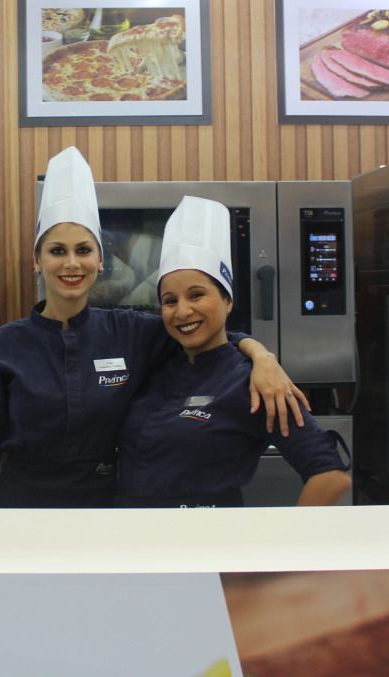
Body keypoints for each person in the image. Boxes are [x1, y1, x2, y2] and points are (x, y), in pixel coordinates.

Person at [0, 147, 307, 509]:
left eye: (83, 250)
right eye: (57, 251)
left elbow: (207, 334)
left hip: (105, 509)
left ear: (100, 259)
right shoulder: (2, 348)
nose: (72, 263)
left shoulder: (131, 333)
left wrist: (261, 356)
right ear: (37, 260)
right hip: (20, 508)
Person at [116, 195, 352, 508]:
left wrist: (288, 538)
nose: (182, 311)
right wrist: (259, 351)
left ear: (227, 300)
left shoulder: (255, 382)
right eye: (170, 301)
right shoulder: (155, 360)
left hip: (207, 535)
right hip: (130, 532)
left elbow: (331, 476)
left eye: (196, 295)